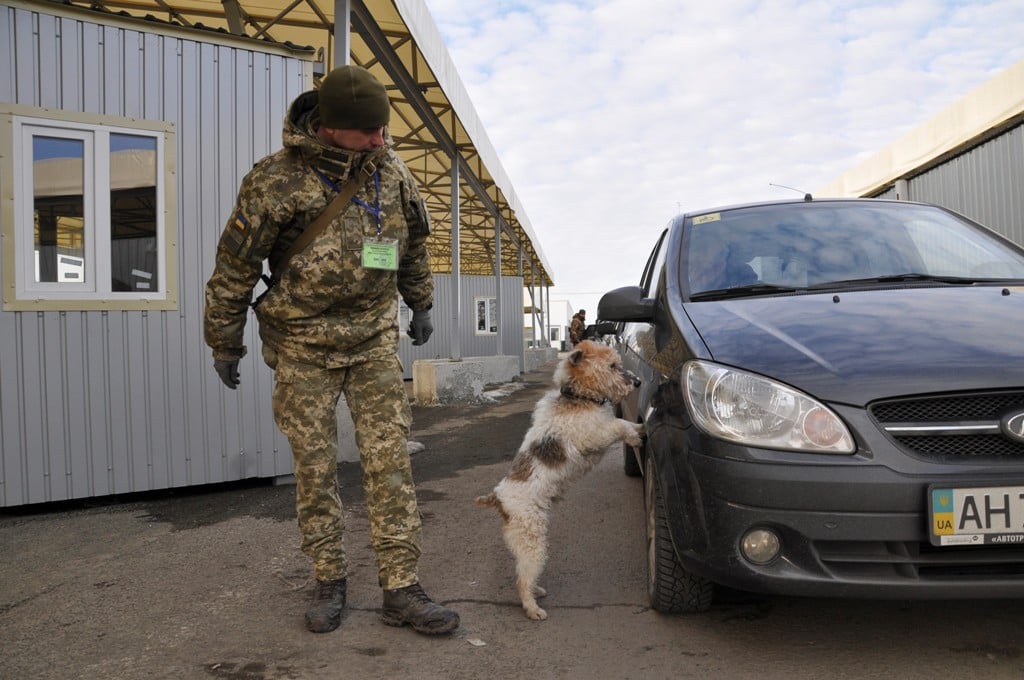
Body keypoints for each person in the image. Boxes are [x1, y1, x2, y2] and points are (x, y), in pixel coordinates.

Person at [203, 65, 459, 636]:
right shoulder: (274, 180)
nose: (381, 139)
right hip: (302, 345)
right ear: (329, 129)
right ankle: (329, 577)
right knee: (315, 468)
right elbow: (235, 267)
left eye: (383, 128)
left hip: (370, 339)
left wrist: (420, 305)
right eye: (368, 130)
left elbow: (413, 244)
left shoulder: (390, 173)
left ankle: (401, 588)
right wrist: (224, 341)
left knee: (390, 461)